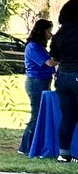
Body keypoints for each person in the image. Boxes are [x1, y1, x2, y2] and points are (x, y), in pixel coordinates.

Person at [48, 0, 78, 162]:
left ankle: (63, 153)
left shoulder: (59, 35)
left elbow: (55, 57)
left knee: (67, 117)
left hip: (62, 76)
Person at [19, 18, 54, 154]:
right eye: (49, 31)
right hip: (36, 82)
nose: (50, 35)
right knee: (36, 115)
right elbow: (49, 63)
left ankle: (34, 145)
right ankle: (26, 147)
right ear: (42, 31)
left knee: (40, 114)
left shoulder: (39, 47)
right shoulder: (33, 47)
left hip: (42, 81)